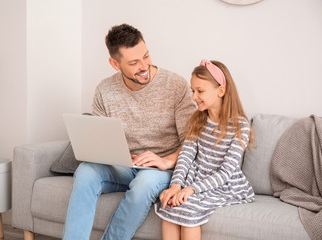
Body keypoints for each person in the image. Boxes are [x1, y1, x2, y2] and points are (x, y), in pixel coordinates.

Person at [62, 24, 196, 240]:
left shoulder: (175, 85)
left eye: (146, 56)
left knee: (144, 183)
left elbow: (193, 141)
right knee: (86, 171)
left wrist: (166, 161)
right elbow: (100, 140)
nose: (144, 66)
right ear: (115, 64)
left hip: (160, 169)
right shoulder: (104, 90)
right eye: (134, 62)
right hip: (124, 165)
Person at [154, 59, 255, 240]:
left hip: (224, 184)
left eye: (200, 91)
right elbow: (185, 156)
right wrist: (176, 185)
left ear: (221, 91)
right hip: (197, 177)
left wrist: (190, 190)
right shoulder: (198, 120)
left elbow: (225, 173)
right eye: (193, 91)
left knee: (189, 209)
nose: (194, 96)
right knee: (169, 203)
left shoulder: (240, 126)